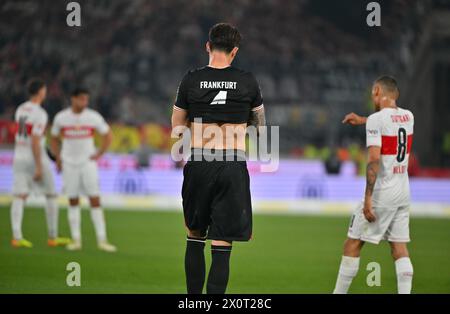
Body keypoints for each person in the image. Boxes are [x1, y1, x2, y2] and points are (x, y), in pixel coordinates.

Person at [171, 23, 265, 294]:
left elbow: (177, 126)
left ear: (207, 46)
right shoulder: (248, 81)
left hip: (200, 161)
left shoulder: (190, 79)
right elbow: (260, 127)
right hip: (232, 164)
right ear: (234, 51)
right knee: (222, 244)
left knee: (195, 236)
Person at [334, 76, 414, 294]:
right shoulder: (408, 116)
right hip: (402, 191)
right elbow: (387, 122)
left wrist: (368, 199)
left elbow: (373, 161)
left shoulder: (377, 121)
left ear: (378, 91)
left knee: (352, 244)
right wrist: (363, 120)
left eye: (372, 92)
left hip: (382, 191)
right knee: (399, 248)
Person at [50, 88, 116, 252]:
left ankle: (102, 240)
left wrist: (100, 153)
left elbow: (108, 135)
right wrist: (58, 157)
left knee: (95, 199)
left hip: (87, 162)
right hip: (68, 163)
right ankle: (76, 240)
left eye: (86, 99)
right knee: (73, 200)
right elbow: (53, 138)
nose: (84, 103)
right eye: (81, 99)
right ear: (73, 99)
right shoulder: (61, 117)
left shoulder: (93, 117)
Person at [11, 79, 70, 248]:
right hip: (35, 157)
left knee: (19, 195)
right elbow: (36, 140)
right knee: (51, 194)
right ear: (41, 92)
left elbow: (24, 134)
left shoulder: (20, 109)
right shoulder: (40, 114)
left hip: (19, 155)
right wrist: (38, 166)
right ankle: (52, 236)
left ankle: (17, 236)